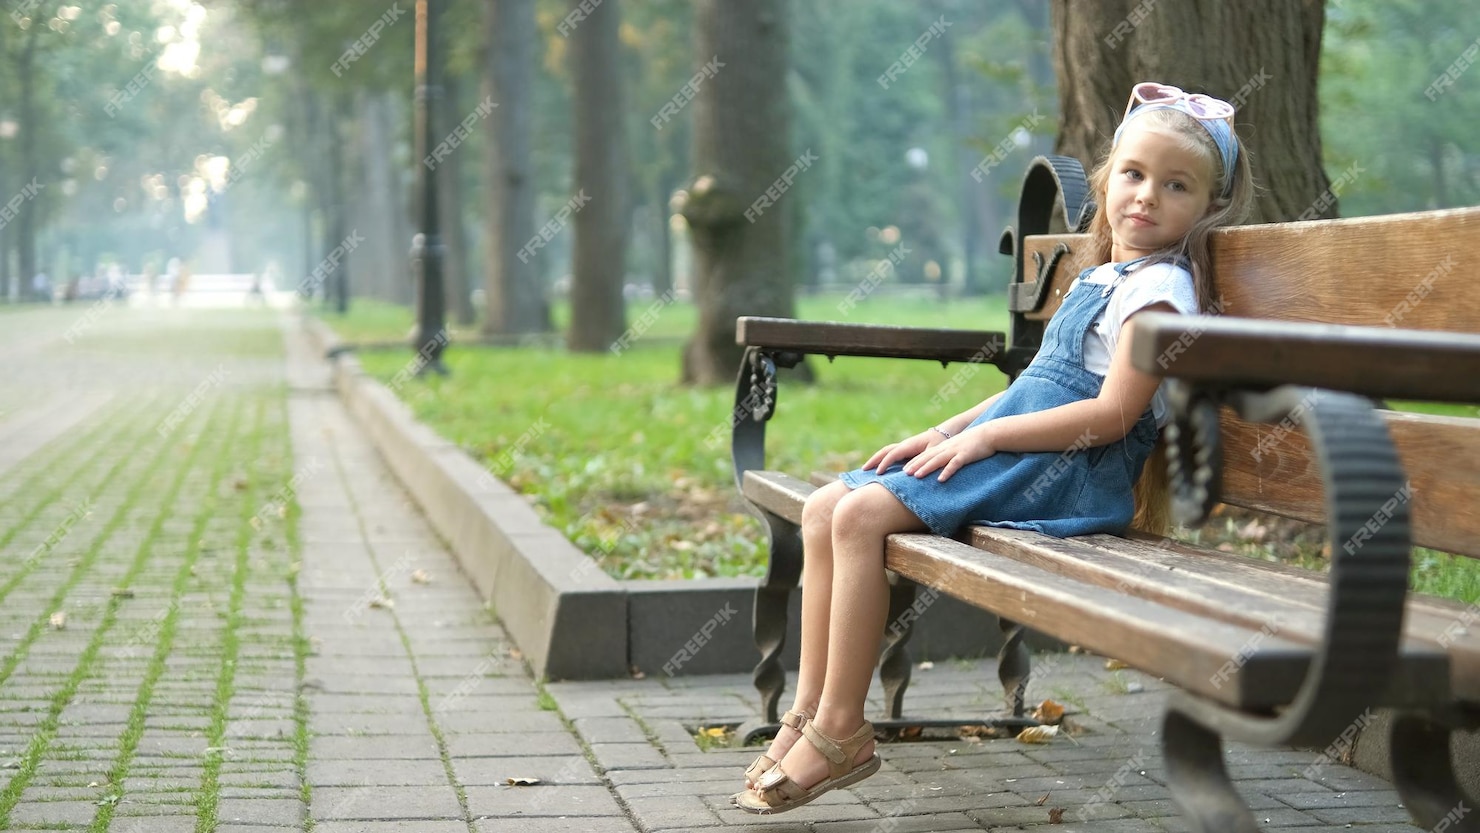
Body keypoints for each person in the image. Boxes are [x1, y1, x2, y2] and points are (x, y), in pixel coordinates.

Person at [732, 81, 1255, 815]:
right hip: (1029, 453)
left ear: (1207, 207)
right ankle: (811, 712)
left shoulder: (1160, 291)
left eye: (1176, 186)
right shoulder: (1108, 274)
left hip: (1070, 474)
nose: (1145, 197)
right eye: (1133, 176)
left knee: (855, 519)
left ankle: (843, 728)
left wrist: (984, 438)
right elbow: (1035, 385)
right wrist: (946, 431)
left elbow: (1108, 416)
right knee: (824, 507)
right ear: (1108, 181)